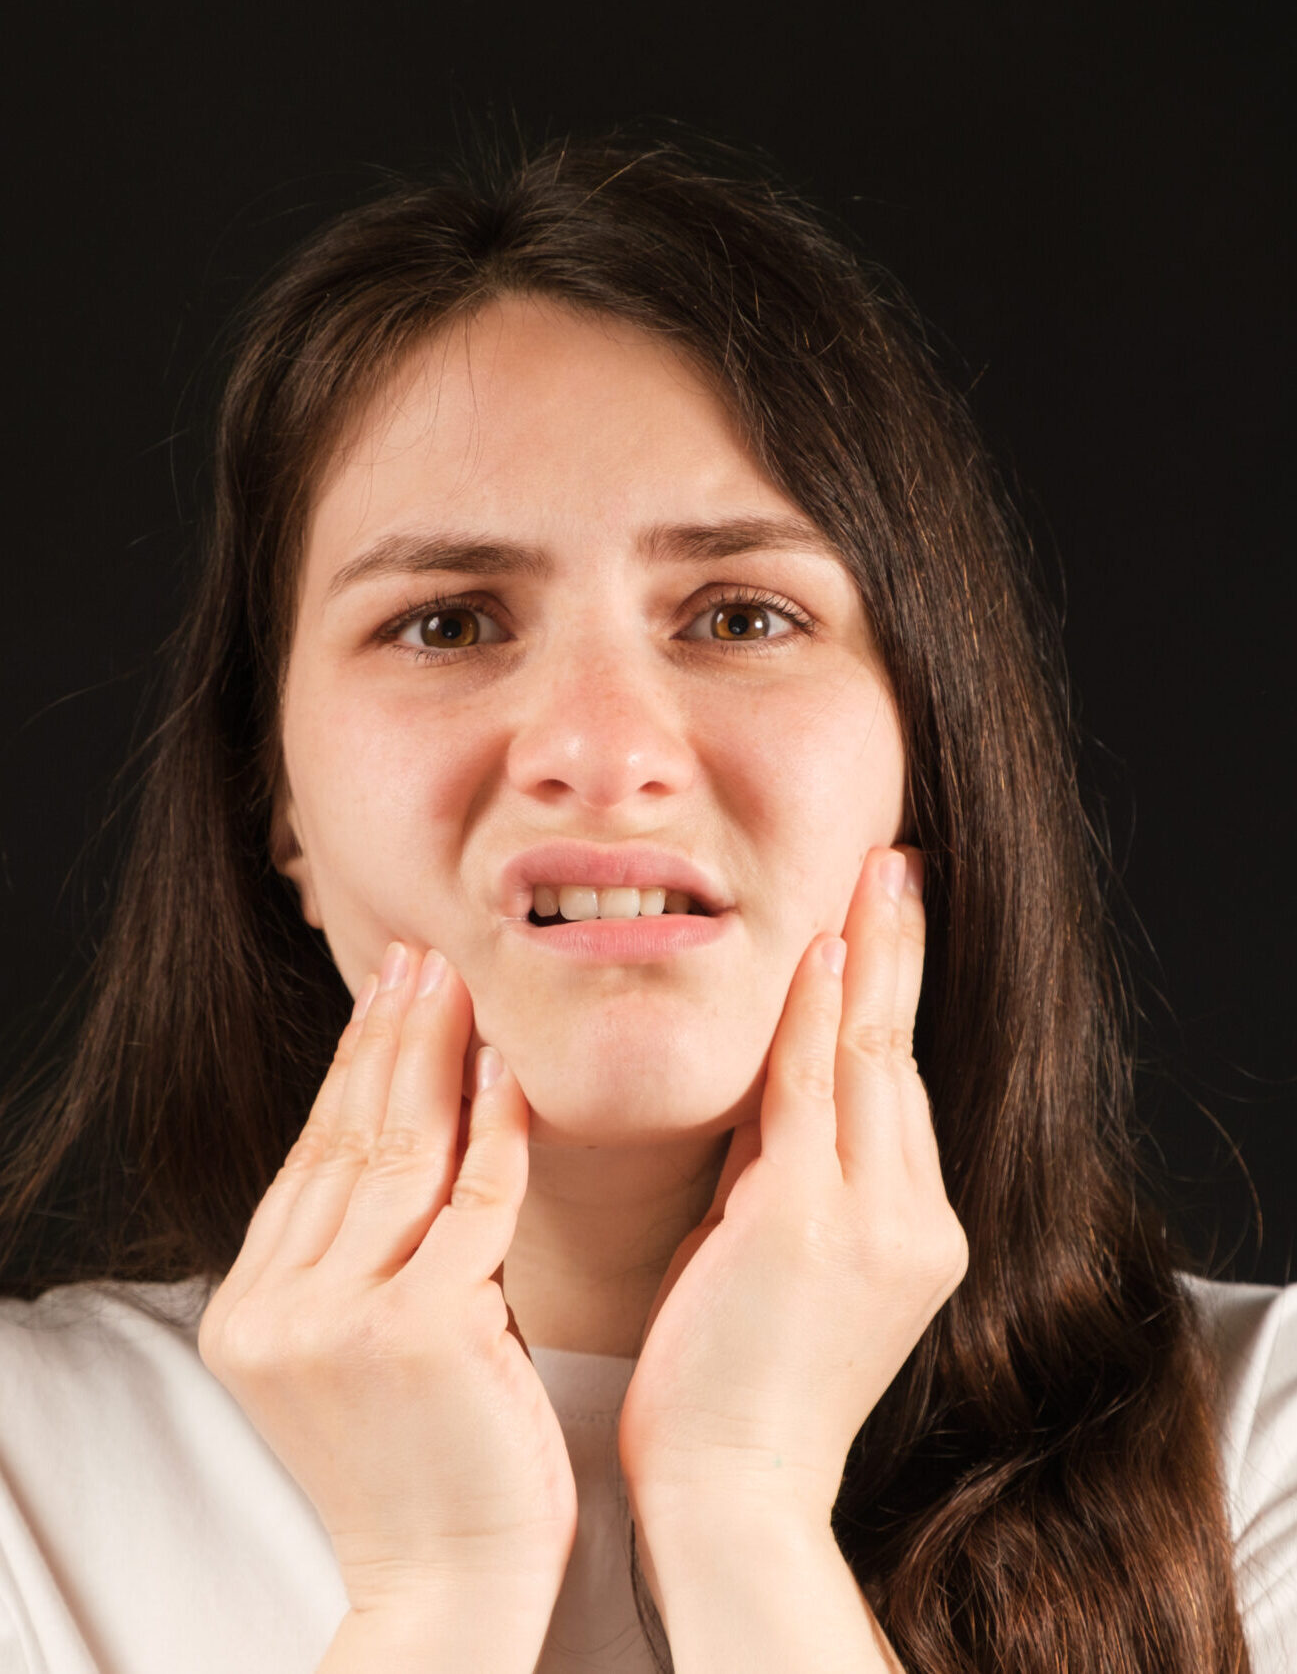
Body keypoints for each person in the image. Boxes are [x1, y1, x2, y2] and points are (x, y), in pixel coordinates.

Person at [0, 133, 1292, 1674]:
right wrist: (438, 1588)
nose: (601, 754)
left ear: (924, 764)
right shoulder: (28, 1480)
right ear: (273, 807)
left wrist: (741, 1512)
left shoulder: (1259, 1449)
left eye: (742, 614)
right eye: (446, 621)